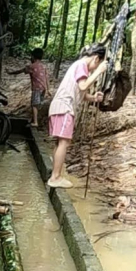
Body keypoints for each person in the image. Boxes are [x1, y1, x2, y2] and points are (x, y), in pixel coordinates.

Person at [47, 44, 108, 189]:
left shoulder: (78, 66)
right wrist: (98, 72)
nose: (95, 67)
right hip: (64, 107)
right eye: (97, 64)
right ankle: (55, 177)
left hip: (60, 106)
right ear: (96, 58)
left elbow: (81, 93)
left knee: (60, 142)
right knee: (64, 142)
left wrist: (94, 98)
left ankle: (56, 173)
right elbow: (82, 86)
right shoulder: (82, 65)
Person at [9, 48, 49, 127]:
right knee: (38, 104)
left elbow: (20, 71)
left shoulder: (31, 66)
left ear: (33, 57)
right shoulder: (43, 66)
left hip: (36, 88)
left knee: (34, 105)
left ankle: (35, 122)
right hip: (43, 88)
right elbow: (47, 78)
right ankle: (34, 119)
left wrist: (10, 73)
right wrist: (48, 89)